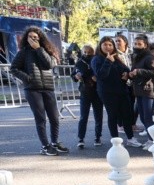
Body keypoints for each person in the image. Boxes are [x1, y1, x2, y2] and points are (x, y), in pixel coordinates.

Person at [11, 26, 64, 156]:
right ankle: (45, 146)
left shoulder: (46, 50)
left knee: (55, 118)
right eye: (31, 37)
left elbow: (49, 65)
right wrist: (27, 78)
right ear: (26, 39)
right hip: (33, 89)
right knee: (41, 119)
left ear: (40, 38)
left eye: (36, 37)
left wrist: (39, 49)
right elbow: (14, 68)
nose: (33, 39)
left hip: (48, 87)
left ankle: (54, 143)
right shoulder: (23, 52)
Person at [92, 36, 138, 147]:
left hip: (122, 90)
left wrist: (127, 75)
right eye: (105, 45)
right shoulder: (97, 59)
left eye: (110, 45)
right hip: (107, 92)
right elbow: (101, 75)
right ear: (100, 46)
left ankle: (130, 138)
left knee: (127, 114)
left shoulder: (116, 58)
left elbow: (126, 70)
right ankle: (116, 140)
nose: (108, 47)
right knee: (113, 115)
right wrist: (108, 61)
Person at [129, 35, 154, 149]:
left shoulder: (149, 57)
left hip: (148, 91)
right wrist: (131, 74)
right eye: (135, 44)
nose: (136, 46)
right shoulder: (137, 57)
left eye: (139, 44)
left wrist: (139, 71)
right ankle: (150, 138)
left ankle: (153, 140)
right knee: (143, 117)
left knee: (148, 117)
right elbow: (136, 72)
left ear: (145, 45)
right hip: (139, 90)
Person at [71, 44, 103, 148]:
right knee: (83, 116)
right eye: (85, 52)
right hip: (85, 92)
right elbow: (73, 75)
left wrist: (97, 78)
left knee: (98, 116)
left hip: (97, 92)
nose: (87, 54)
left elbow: (102, 73)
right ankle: (81, 138)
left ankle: (98, 137)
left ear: (93, 52)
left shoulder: (97, 61)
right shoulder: (79, 62)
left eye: (89, 52)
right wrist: (76, 76)